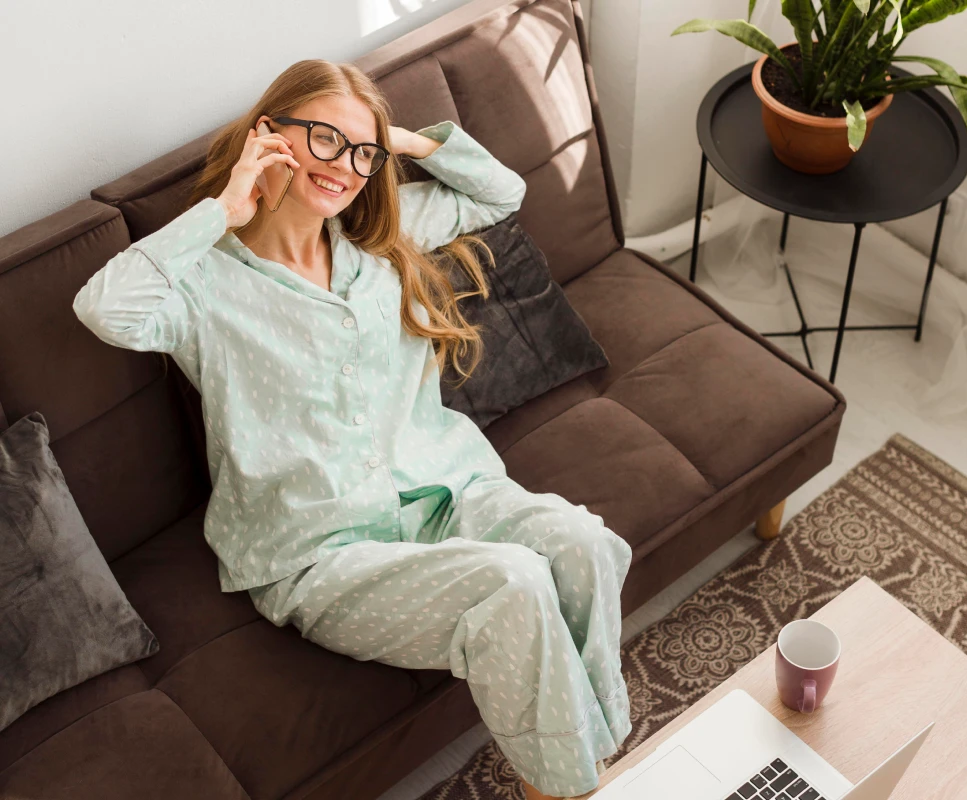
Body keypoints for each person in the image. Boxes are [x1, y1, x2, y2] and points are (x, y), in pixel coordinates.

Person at [72, 58, 632, 799]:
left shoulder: (380, 245)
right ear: (269, 137)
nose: (345, 167)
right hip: (319, 550)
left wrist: (389, 140)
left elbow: (504, 191)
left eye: (361, 154)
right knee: (515, 584)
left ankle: (596, 757)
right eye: (325, 141)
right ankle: (569, 786)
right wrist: (226, 208)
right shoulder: (202, 284)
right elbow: (103, 308)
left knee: (583, 542)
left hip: (449, 492)